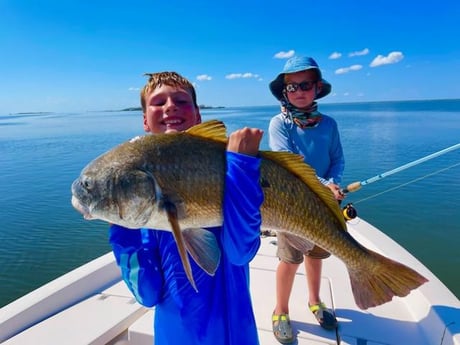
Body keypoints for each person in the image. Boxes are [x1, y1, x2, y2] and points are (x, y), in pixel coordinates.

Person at [109, 71, 264, 345]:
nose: (170, 106)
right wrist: (122, 218)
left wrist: (241, 168)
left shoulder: (231, 170)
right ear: (145, 120)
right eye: (158, 102)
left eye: (181, 100)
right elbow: (147, 293)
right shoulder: (147, 202)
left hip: (241, 334)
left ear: (198, 115)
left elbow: (241, 252)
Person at [268, 56, 345, 343]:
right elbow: (290, 165)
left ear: (317, 88)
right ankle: (281, 309)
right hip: (291, 207)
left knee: (316, 256)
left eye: (306, 84)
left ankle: (315, 300)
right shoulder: (279, 124)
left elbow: (337, 159)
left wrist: (334, 182)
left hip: (324, 205)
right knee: (290, 259)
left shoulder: (330, 125)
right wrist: (325, 184)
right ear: (284, 92)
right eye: (292, 86)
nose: (299, 91)